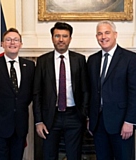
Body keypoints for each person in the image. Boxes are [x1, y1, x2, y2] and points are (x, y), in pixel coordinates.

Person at [87, 21, 136, 160]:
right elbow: (90, 91)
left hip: (122, 124)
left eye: (107, 32)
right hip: (98, 123)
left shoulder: (130, 58)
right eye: (99, 34)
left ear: (115, 34)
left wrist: (130, 121)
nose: (103, 37)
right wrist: (89, 118)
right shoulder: (92, 60)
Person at [33, 22, 89, 160]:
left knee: (74, 156)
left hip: (74, 116)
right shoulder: (42, 61)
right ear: (52, 38)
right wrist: (38, 121)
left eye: (65, 36)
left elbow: (85, 90)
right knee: (49, 155)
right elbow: (37, 93)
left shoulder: (80, 59)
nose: (61, 39)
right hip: (50, 118)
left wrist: (83, 114)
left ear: (70, 38)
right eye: (57, 36)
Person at [0, 28, 35, 160]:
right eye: (8, 40)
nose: (12, 43)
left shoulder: (30, 66)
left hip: (20, 126)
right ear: (2, 44)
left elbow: (30, 93)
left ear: (21, 44)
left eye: (16, 40)